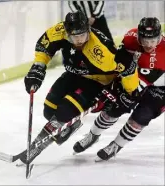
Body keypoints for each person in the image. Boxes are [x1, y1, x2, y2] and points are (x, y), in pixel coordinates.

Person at [18, 11, 139, 164]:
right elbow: (44, 44)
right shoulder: (59, 31)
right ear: (67, 32)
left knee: (64, 112)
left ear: (88, 30)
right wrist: (38, 66)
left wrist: (130, 91)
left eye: (82, 35)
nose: (79, 39)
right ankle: (69, 125)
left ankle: (36, 147)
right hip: (73, 74)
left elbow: (127, 67)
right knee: (49, 110)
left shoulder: (101, 50)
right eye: (74, 36)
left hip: (96, 81)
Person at [73, 17, 165, 161]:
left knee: (142, 116)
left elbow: (146, 81)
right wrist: (118, 87)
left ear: (159, 37)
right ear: (139, 35)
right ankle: (92, 135)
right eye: (145, 41)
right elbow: (120, 61)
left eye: (152, 41)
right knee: (113, 107)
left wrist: (129, 95)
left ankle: (116, 145)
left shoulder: (163, 54)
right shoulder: (130, 38)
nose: (148, 45)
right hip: (136, 77)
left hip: (161, 87)